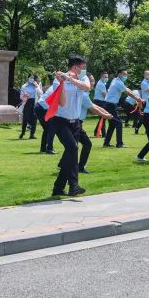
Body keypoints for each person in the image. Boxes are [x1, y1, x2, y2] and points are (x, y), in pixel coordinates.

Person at [50, 56, 95, 197]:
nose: (84, 70)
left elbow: (87, 87)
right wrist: (62, 82)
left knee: (70, 154)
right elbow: (62, 102)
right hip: (60, 121)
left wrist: (69, 79)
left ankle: (58, 188)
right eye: (82, 67)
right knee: (73, 149)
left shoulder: (83, 78)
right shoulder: (58, 81)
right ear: (75, 67)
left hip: (75, 122)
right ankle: (73, 186)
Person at [75, 84, 112, 174]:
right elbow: (93, 109)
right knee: (87, 144)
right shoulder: (83, 95)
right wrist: (105, 115)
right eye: (90, 82)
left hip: (76, 122)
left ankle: (63, 165)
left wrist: (106, 113)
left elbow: (94, 106)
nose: (92, 84)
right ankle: (80, 167)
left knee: (73, 146)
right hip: (76, 123)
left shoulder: (83, 94)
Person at [102, 69, 141, 148]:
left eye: (126, 75)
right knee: (119, 123)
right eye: (124, 74)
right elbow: (128, 92)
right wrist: (138, 99)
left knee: (112, 124)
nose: (125, 76)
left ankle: (106, 143)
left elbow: (127, 89)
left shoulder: (115, 80)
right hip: (110, 105)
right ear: (119, 74)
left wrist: (137, 97)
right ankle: (119, 144)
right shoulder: (118, 83)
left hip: (109, 104)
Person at [17, 74, 41, 139]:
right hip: (27, 102)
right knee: (25, 118)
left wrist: (37, 86)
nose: (32, 79)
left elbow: (40, 94)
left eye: (33, 78)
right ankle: (23, 132)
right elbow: (21, 97)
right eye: (30, 78)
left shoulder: (36, 86)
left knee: (34, 118)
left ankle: (32, 134)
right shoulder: (24, 86)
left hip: (34, 102)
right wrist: (24, 96)